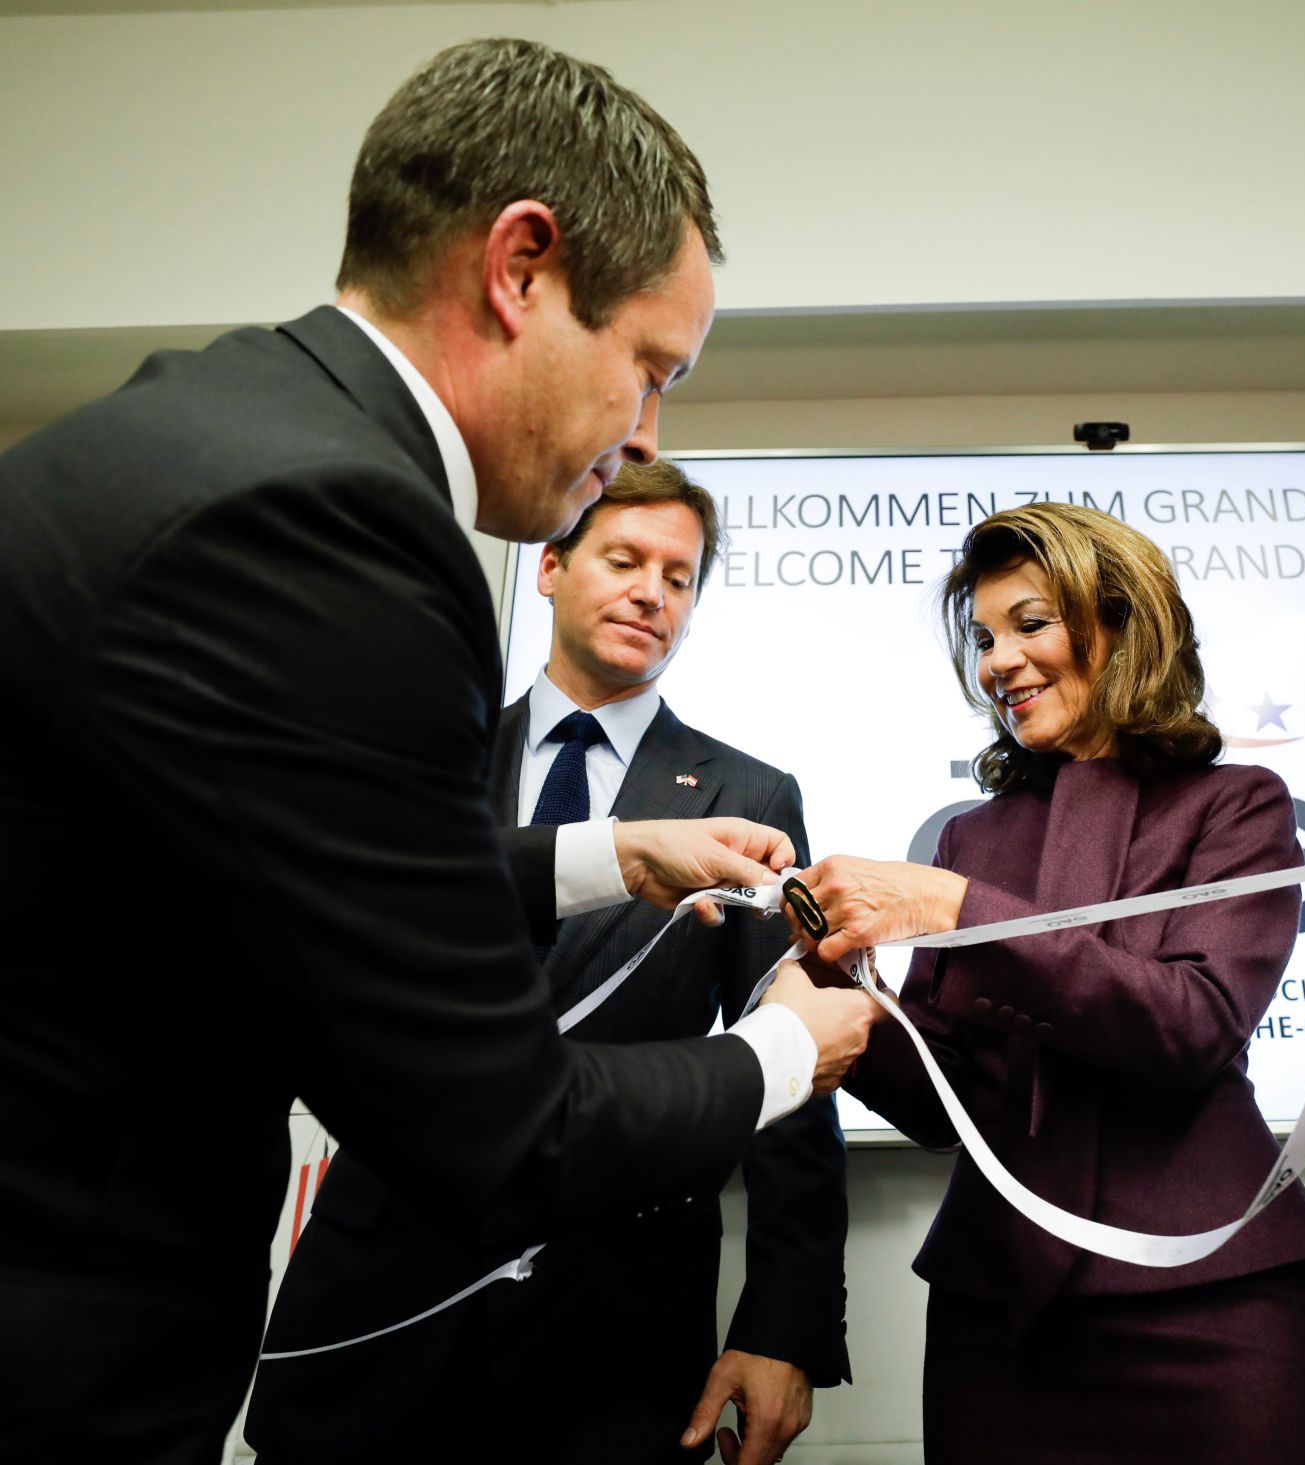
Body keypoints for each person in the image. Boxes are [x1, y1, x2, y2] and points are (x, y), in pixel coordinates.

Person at [0, 39, 878, 1465]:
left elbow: (271, 854)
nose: (645, 432)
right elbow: (508, 1133)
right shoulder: (338, 527)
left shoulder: (227, 423)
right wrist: (789, 1045)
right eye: (649, 367)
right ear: (520, 267)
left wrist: (602, 856)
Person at [250, 461, 850, 1465]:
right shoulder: (422, 761)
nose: (651, 590)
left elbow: (794, 1057)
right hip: (381, 1282)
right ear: (551, 568)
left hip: (617, 1307)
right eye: (622, 559)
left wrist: (780, 1322)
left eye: (678, 575)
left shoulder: (745, 794)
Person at [790, 503, 1305, 1464]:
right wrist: (833, 973)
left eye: (1029, 623)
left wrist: (959, 908)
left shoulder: (1238, 805)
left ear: (1124, 621)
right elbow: (948, 1107)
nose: (995, 662)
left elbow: (1192, 1024)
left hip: (1211, 1292)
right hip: (997, 1312)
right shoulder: (973, 835)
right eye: (981, 636)